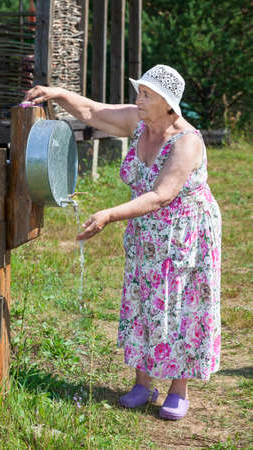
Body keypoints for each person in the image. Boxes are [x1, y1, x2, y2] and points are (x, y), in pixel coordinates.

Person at [24, 64, 221, 420]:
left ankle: (179, 388)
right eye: (139, 92)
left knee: (180, 304)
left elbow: (161, 195)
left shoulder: (187, 142)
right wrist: (57, 93)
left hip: (184, 233)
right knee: (144, 295)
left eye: (146, 95)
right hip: (147, 230)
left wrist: (108, 214)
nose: (138, 99)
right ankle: (143, 382)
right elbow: (93, 112)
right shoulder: (139, 121)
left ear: (167, 103)